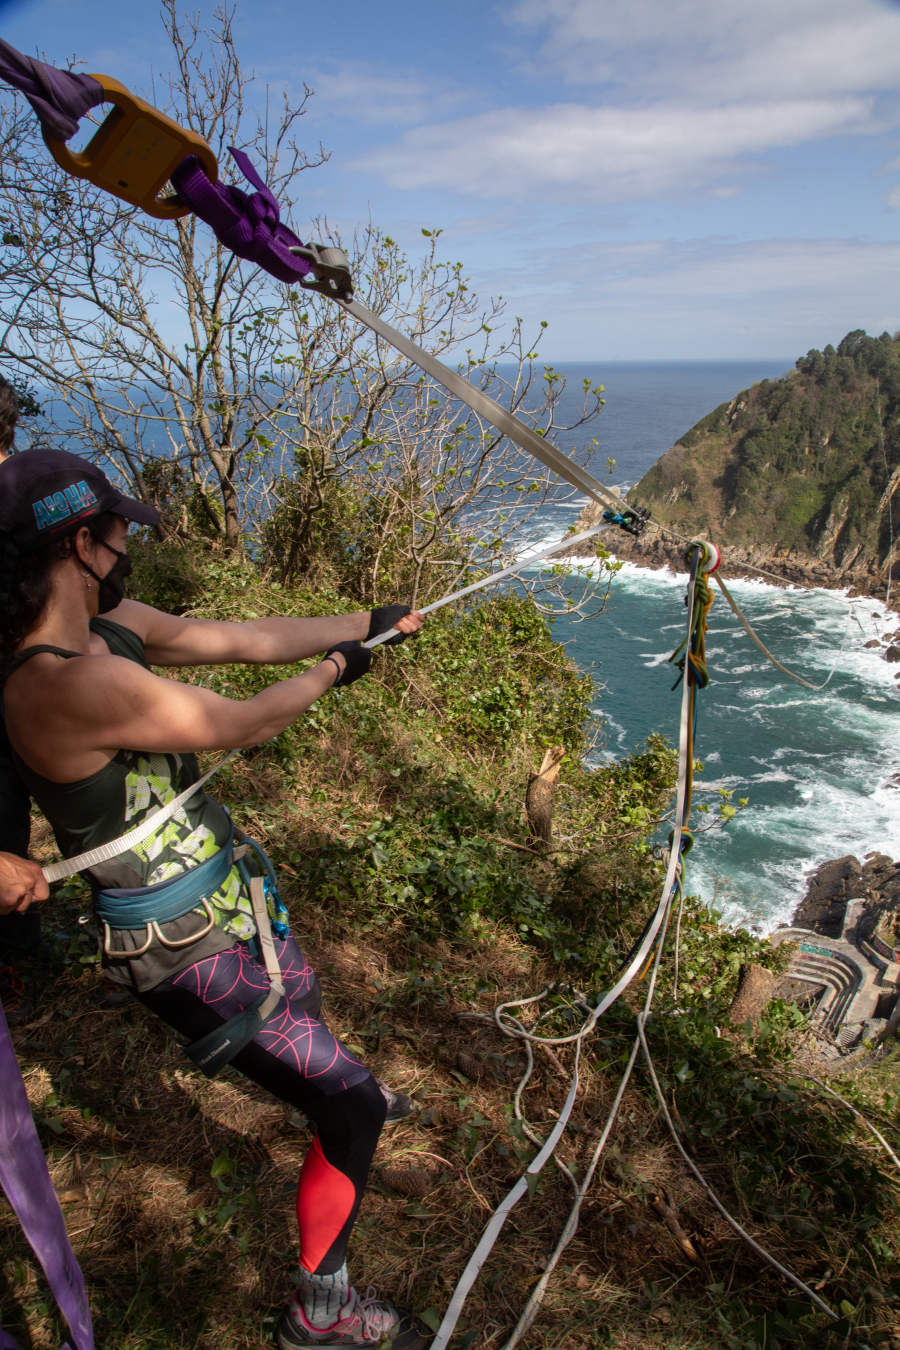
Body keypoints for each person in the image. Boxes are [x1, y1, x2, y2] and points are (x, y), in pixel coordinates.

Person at [0, 446, 429, 1350]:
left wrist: (369, 621)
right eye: (120, 534)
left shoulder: (107, 634)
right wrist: (342, 670)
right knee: (348, 1103)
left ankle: (345, 1110)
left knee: (312, 1021)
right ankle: (322, 1311)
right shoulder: (63, 683)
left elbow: (238, 637)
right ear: (81, 543)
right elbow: (245, 719)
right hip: (184, 951)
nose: (128, 549)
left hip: (230, 905)